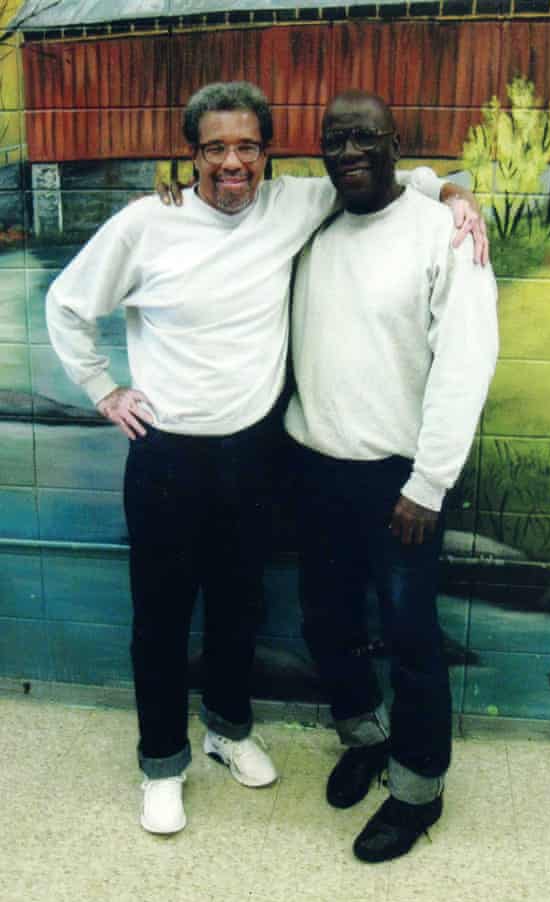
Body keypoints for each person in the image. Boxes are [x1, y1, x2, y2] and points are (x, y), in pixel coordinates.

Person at [46, 81, 488, 836]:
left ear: (270, 155)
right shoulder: (164, 221)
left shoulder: (344, 215)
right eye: (214, 148)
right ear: (189, 157)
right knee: (193, 620)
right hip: (211, 460)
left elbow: (392, 188)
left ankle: (279, 746)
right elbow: (67, 304)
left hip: (316, 467)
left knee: (289, 617)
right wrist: (101, 388)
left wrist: (452, 192)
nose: (232, 163)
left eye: (247, 146)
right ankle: (172, 761)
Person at [284, 89, 498, 862]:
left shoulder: (444, 232)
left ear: (395, 141)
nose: (349, 151)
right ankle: (365, 737)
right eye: (334, 139)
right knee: (327, 622)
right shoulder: (314, 223)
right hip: (314, 469)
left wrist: (429, 484)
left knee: (410, 640)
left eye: (365, 137)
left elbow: (466, 366)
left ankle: (417, 792)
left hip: (400, 483)